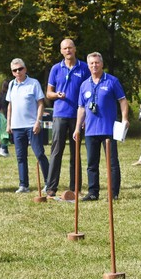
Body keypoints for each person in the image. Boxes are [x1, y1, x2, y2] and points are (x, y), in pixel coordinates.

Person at [73, 52, 129, 201]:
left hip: (108, 130)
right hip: (90, 131)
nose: (94, 66)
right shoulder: (84, 85)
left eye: (97, 62)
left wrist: (124, 119)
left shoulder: (112, 81)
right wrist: (78, 127)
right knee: (92, 164)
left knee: (112, 163)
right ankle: (93, 192)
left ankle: (113, 193)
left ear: (102, 64)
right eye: (91, 63)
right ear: (88, 65)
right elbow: (81, 108)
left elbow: (123, 101)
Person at [45, 38, 90, 197]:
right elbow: (48, 93)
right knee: (56, 151)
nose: (68, 51)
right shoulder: (56, 68)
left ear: (75, 49)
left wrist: (85, 118)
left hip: (77, 116)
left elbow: (89, 91)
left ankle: (75, 187)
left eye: (70, 47)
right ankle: (51, 187)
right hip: (60, 114)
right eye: (65, 48)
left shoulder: (84, 68)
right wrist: (56, 95)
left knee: (75, 152)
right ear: (61, 51)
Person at [6, 58, 47, 193]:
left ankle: (49, 182)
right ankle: (23, 185)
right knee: (20, 157)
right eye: (15, 70)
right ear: (12, 72)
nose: (18, 72)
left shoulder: (33, 83)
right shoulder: (11, 85)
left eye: (20, 69)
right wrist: (8, 123)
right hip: (17, 127)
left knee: (39, 153)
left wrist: (38, 121)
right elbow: (10, 105)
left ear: (25, 69)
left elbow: (41, 103)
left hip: (31, 125)